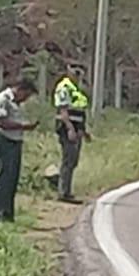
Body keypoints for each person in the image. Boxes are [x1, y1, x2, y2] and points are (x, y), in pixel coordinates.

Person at [0, 77, 37, 223]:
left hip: (15, 142)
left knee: (12, 180)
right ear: (20, 89)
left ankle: (7, 215)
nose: (25, 99)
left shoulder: (16, 104)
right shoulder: (2, 99)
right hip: (3, 142)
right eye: (26, 95)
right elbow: (0, 121)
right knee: (3, 179)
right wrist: (23, 126)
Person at [53, 65, 91, 204]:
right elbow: (63, 111)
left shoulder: (76, 89)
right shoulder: (64, 87)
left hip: (76, 128)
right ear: (68, 72)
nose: (78, 75)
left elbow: (79, 112)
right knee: (68, 159)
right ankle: (63, 192)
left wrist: (83, 131)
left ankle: (66, 190)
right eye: (75, 72)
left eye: (80, 73)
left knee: (73, 160)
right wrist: (70, 129)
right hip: (67, 129)